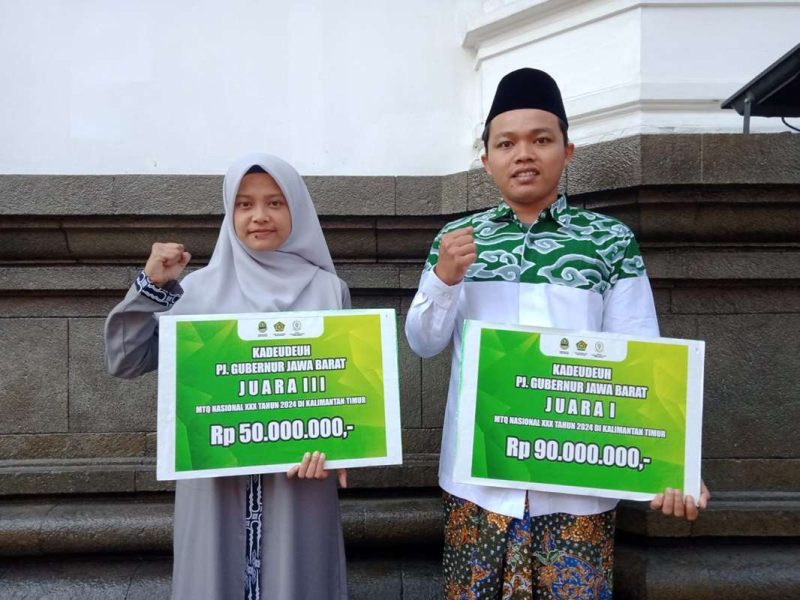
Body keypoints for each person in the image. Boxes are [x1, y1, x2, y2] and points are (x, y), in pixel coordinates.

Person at [404, 68, 710, 599]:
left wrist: (674, 464)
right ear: (487, 160)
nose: (524, 153)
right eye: (507, 143)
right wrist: (444, 278)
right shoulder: (457, 241)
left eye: (541, 140)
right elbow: (423, 342)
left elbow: (642, 352)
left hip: (579, 484)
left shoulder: (609, 241)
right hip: (478, 484)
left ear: (567, 152)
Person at [105, 153, 349, 600]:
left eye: (275, 203)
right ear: (229, 213)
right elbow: (125, 360)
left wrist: (346, 447)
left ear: (297, 209)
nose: (259, 216)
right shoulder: (194, 292)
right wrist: (150, 286)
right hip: (213, 489)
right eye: (243, 204)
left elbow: (343, 389)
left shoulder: (327, 290)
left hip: (298, 484)